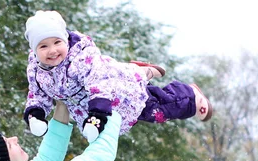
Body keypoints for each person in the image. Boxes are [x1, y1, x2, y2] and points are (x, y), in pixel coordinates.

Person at [23, 10, 213, 142]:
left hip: (111, 93)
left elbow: (99, 84)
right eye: (44, 46)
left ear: (65, 39)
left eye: (57, 42)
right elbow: (37, 94)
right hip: (87, 106)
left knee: (154, 110)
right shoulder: (36, 70)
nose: (53, 50)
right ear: (35, 49)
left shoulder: (80, 58)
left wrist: (97, 115)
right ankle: (140, 71)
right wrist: (35, 115)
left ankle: (190, 97)